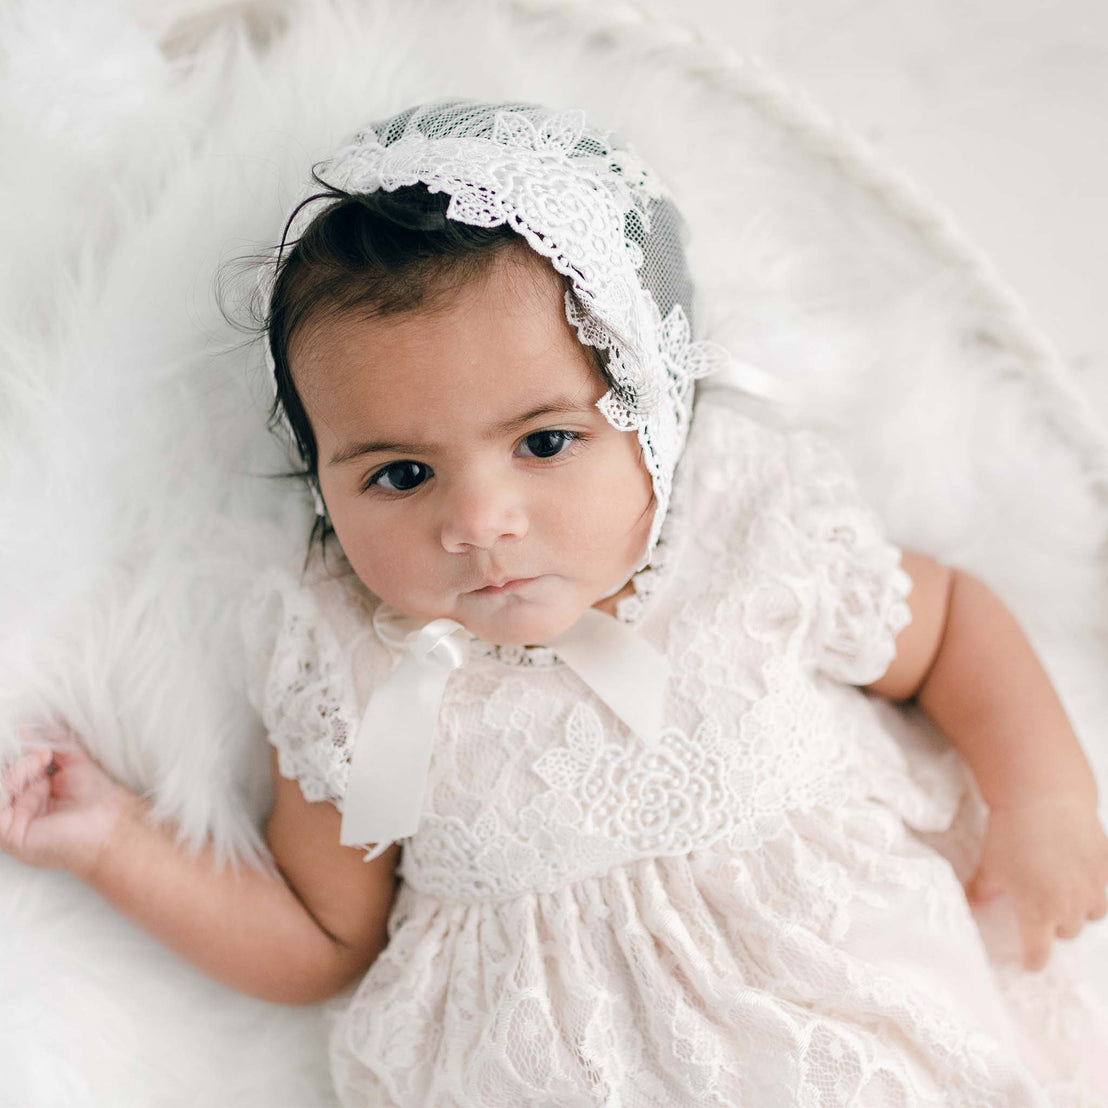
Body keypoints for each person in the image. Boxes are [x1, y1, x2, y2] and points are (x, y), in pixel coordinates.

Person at [3, 99, 1108, 1106]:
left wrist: (1044, 795)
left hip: (854, 1041)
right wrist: (115, 842)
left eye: (545, 442)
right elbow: (319, 934)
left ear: (651, 417)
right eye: (398, 474)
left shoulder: (744, 536)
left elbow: (951, 625)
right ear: (325, 484)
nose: (478, 520)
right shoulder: (352, 663)